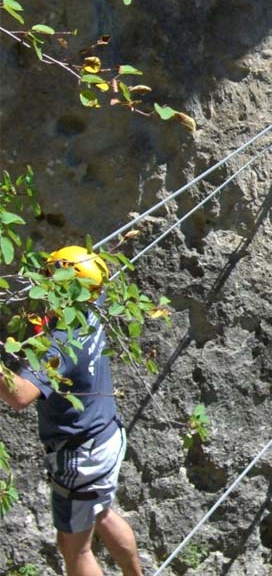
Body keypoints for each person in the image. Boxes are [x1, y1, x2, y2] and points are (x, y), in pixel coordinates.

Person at [0, 246, 143, 576]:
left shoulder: (61, 343)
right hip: (106, 435)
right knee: (102, 511)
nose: (45, 281)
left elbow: (20, 396)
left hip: (80, 456)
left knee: (74, 548)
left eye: (51, 275)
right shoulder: (92, 305)